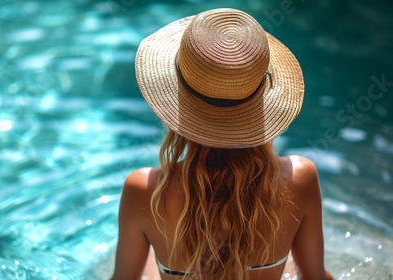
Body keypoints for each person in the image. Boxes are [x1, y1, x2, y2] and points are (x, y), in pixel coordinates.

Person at [110, 8, 334, 280]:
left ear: (177, 107)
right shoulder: (301, 177)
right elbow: (315, 277)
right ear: (261, 103)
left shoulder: (144, 191)